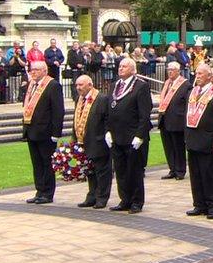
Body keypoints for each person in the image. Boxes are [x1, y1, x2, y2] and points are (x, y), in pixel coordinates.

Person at [183, 64, 213, 219]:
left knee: (208, 174)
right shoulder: (192, 92)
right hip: (193, 139)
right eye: (196, 73)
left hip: (208, 140)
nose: (198, 76)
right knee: (195, 174)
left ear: (209, 76)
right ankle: (199, 204)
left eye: (201, 73)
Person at [107, 57, 153, 214]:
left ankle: (136, 201)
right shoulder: (114, 85)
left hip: (133, 137)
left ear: (133, 70)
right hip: (116, 136)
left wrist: (140, 135)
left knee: (134, 171)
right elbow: (109, 110)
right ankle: (124, 199)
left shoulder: (141, 86)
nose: (121, 69)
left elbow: (144, 114)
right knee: (120, 170)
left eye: (125, 66)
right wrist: (108, 130)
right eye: (120, 66)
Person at [22, 61, 64, 204]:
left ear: (44, 71)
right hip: (31, 130)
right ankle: (39, 190)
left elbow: (58, 111)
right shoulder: (32, 85)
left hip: (46, 132)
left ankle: (47, 193)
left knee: (47, 163)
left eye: (36, 70)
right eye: (31, 70)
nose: (32, 72)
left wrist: (56, 133)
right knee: (37, 163)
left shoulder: (53, 85)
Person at [72, 74, 111, 209]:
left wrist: (106, 136)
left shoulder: (102, 98)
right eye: (76, 85)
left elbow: (107, 120)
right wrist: (74, 139)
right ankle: (91, 196)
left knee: (102, 172)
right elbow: (76, 120)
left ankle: (102, 198)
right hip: (84, 141)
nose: (78, 88)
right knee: (90, 172)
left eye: (80, 85)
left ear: (90, 85)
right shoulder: (79, 99)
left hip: (99, 141)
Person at [157, 61, 190, 180]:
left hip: (177, 121)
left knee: (178, 147)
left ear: (178, 71)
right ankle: (172, 169)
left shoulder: (185, 85)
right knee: (168, 147)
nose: (169, 71)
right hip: (165, 119)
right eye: (168, 69)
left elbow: (186, 104)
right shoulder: (166, 84)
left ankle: (180, 170)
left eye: (172, 69)